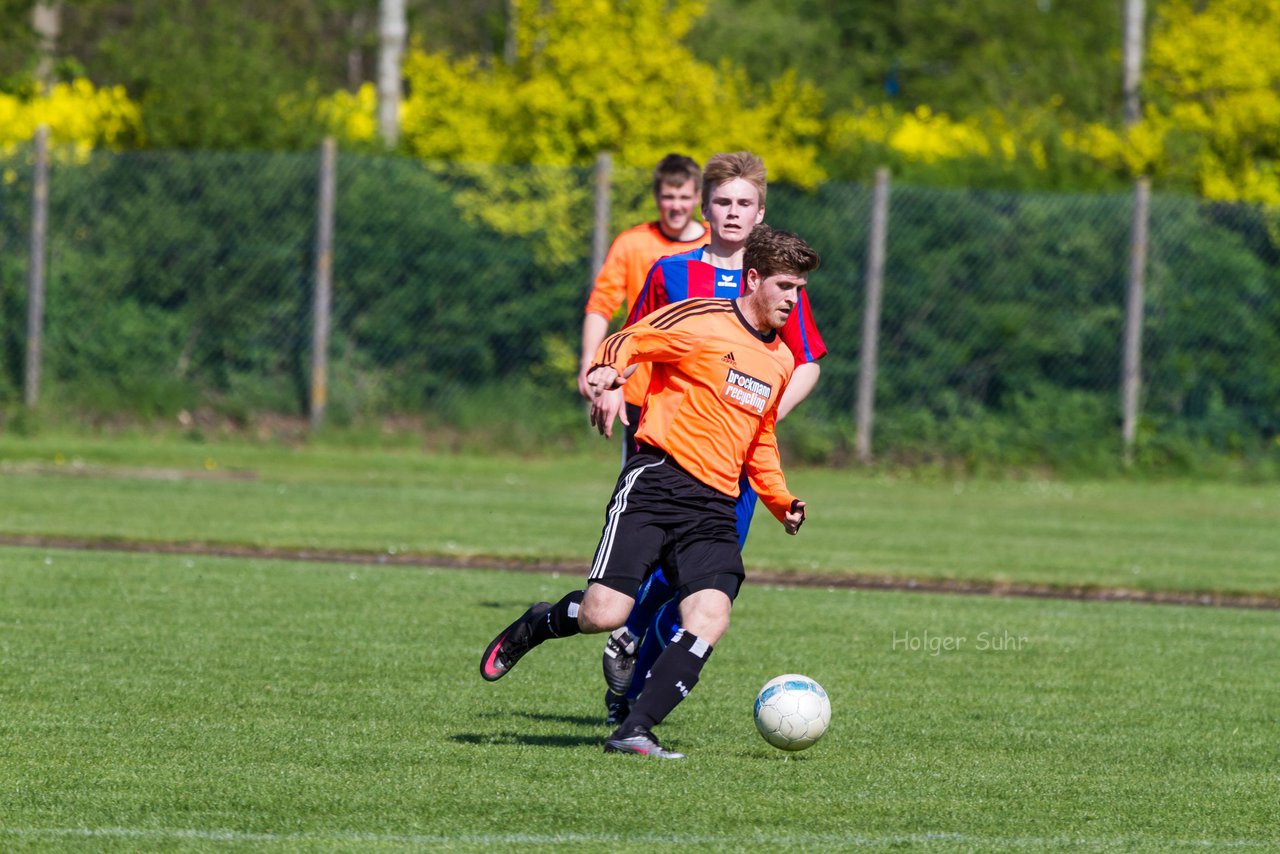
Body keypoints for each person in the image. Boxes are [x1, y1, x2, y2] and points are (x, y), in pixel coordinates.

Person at [481, 226, 820, 759]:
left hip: (714, 505)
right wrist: (608, 371)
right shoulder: (701, 318)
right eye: (783, 286)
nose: (791, 299)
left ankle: (634, 728)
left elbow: (762, 438)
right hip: (657, 481)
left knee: (711, 616)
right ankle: (537, 624)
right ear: (753, 278)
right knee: (603, 615)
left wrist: (780, 501)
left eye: (798, 289)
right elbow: (630, 337)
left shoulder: (780, 361)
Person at [589, 152, 828, 725]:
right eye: (723, 201)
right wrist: (613, 387)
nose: (733, 213)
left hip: (740, 458)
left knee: (704, 578)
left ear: (760, 211)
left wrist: (762, 416)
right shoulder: (673, 273)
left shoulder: (776, 278)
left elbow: (807, 362)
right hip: (669, 445)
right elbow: (637, 339)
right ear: (706, 206)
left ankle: (633, 681)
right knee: (650, 567)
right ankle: (628, 647)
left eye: (745, 203)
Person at [577, 154, 707, 402]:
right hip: (639, 390)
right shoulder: (632, 243)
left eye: (684, 197)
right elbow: (601, 303)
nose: (676, 206)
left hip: (698, 390)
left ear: (698, 197)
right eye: (669, 197)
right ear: (657, 197)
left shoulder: (716, 247)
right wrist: (588, 360)